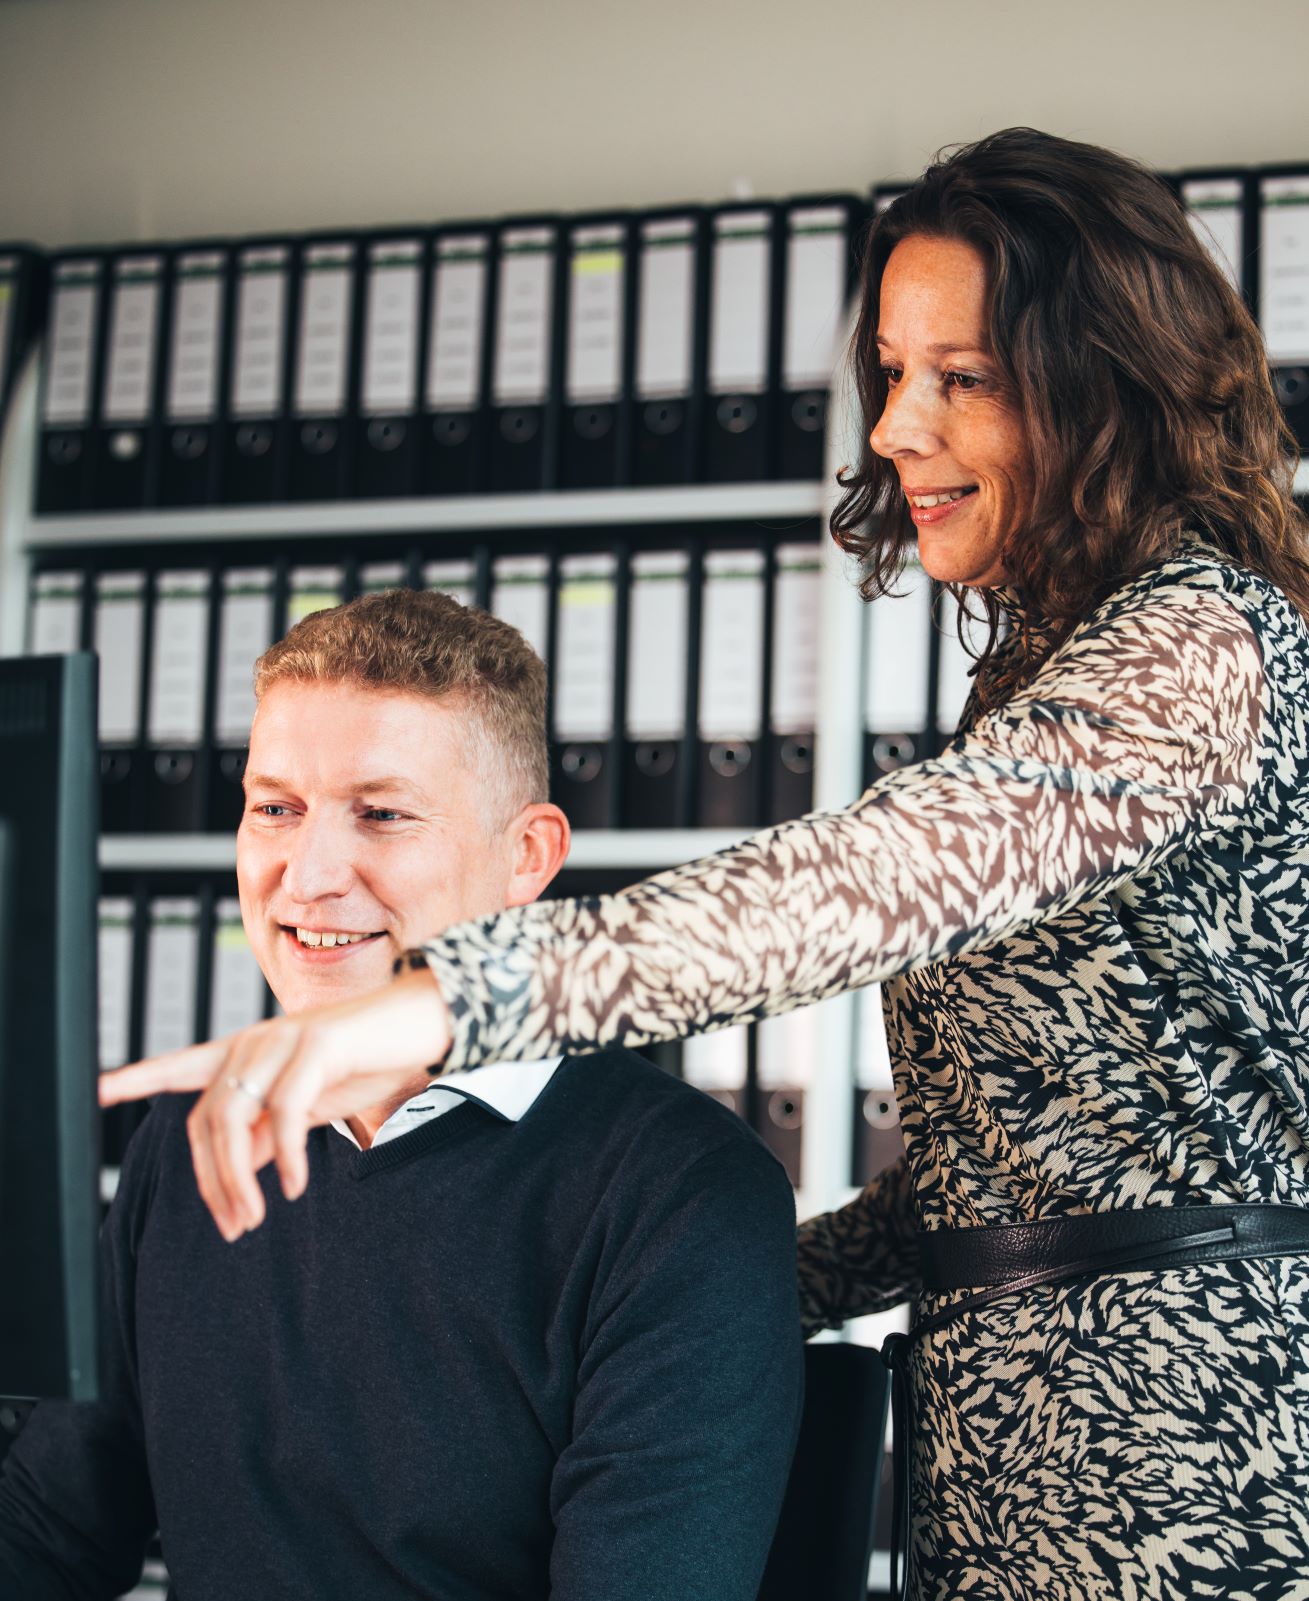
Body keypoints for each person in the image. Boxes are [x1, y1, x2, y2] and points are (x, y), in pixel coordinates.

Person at [103, 126, 1309, 1600]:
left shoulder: (1196, 646)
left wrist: (453, 1000)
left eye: (964, 377)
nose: (893, 428)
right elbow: (1038, 1167)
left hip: (1182, 1445)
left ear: (1104, 383)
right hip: (1009, 1433)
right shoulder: (1045, 674)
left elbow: (872, 876)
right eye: (892, 370)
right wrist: (714, 1287)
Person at [0, 589, 803, 1601]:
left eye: (381, 814)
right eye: (275, 808)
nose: (308, 874)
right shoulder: (194, 1135)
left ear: (529, 859)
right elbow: (54, 1523)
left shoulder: (681, 1194)